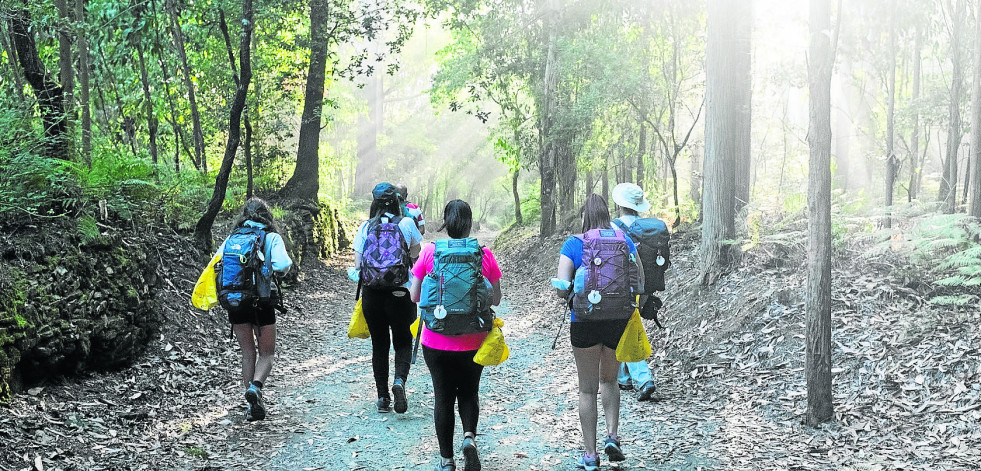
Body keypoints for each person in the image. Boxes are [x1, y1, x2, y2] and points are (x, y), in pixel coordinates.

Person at [410, 199, 503, 471]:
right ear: (470, 223)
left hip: (435, 340)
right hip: (474, 338)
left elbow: (415, 296)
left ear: (445, 223)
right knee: (469, 391)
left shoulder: (430, 252)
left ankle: (446, 460)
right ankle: (469, 439)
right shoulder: (483, 254)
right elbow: (495, 298)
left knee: (443, 396)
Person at [554, 194, 643, 471]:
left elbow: (560, 287)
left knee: (586, 389)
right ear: (607, 215)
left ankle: (591, 456)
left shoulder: (574, 244)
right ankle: (613, 437)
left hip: (584, 321)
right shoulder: (623, 240)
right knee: (610, 381)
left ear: (585, 216)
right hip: (617, 319)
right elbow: (639, 279)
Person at [213, 197, 293, 421]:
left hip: (236, 302)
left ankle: (249, 404)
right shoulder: (271, 237)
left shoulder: (233, 238)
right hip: (262, 303)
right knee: (267, 353)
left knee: (247, 352)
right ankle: (256, 389)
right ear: (266, 215)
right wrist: (270, 271)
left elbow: (218, 264)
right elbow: (283, 264)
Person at [353, 182, 423, 414]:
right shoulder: (406, 224)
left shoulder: (365, 227)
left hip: (372, 294)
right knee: (403, 341)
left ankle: (383, 398)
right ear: (397, 201)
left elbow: (357, 265)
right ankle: (399, 381)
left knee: (379, 344)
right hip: (400, 292)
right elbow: (415, 255)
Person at [610, 183, 660, 402]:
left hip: (623, 286)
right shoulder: (647, 227)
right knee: (625, 327)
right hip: (645, 285)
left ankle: (643, 378)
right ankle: (624, 377)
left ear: (619, 204)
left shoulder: (614, 227)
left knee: (625, 329)